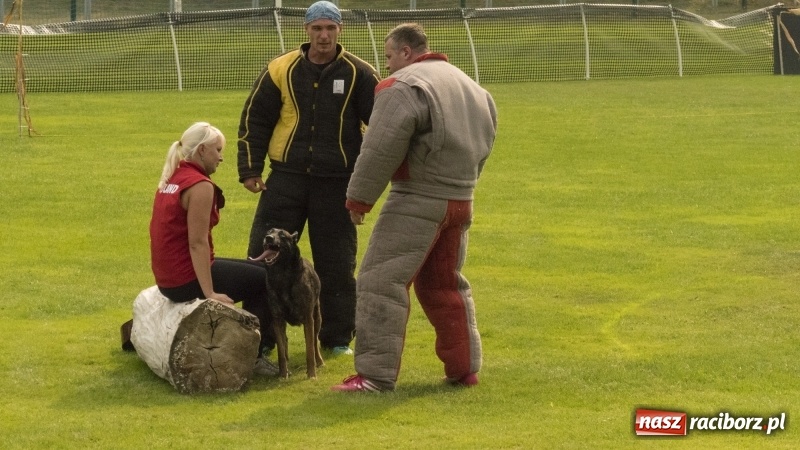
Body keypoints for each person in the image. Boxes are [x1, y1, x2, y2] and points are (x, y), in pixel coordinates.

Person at [331, 23, 498, 392]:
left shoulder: (404, 85)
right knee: (445, 286)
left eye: (389, 56)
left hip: (418, 197)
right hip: (461, 197)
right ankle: (464, 368)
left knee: (379, 280)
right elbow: (487, 140)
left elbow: (381, 146)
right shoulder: (472, 87)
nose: (387, 65)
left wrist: (359, 199)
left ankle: (373, 377)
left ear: (406, 52)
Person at [237, 1, 380, 356]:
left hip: (337, 183)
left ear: (340, 31)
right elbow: (255, 120)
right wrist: (250, 170)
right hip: (285, 180)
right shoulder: (279, 69)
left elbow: (383, 128)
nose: (324, 36)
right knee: (263, 256)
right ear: (306, 30)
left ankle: (335, 339)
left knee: (336, 264)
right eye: (317, 28)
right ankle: (261, 338)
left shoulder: (360, 73)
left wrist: (367, 185)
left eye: (330, 28)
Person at [150, 122, 277, 376]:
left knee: (257, 269)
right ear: (202, 150)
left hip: (167, 279)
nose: (221, 157)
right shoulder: (200, 186)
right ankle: (254, 354)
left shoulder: (173, 178)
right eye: (217, 150)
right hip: (184, 280)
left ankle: (252, 343)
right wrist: (210, 292)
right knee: (266, 277)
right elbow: (197, 242)